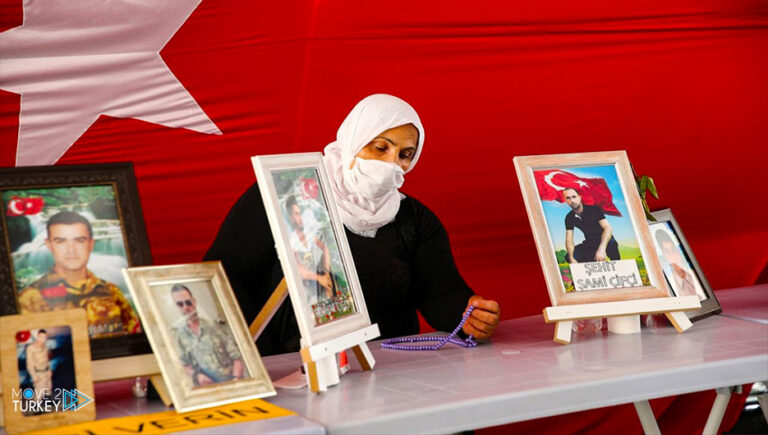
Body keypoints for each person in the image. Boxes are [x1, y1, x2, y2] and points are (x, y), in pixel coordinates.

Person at [204, 93, 500, 356]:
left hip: (388, 367)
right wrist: (258, 357)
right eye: (380, 147)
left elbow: (439, 291)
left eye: (405, 154)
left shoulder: (413, 218)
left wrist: (469, 313)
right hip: (291, 367)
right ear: (353, 141)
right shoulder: (287, 194)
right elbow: (226, 274)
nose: (391, 163)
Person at [17, 211, 140, 338]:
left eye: (80, 240)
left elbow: (134, 337)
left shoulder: (111, 291)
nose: (71, 250)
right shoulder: (30, 298)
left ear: (91, 245)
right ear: (49, 245)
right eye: (61, 241)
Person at [170, 284, 245, 386]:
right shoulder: (180, 335)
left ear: (194, 302)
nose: (185, 307)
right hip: (206, 390)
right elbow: (184, 365)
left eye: (188, 303)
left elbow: (237, 358)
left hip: (231, 383)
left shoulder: (216, 327)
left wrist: (236, 380)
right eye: (180, 304)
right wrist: (196, 376)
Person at [285, 195, 335, 304]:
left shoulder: (309, 233)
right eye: (297, 214)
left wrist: (326, 272)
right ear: (291, 218)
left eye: (301, 213)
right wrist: (319, 278)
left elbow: (324, 247)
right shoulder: (291, 241)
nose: (301, 218)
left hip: (320, 275)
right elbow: (297, 268)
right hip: (307, 284)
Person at [562, 188, 620, 263]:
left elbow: (607, 228)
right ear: (566, 201)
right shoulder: (569, 217)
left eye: (574, 197)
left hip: (607, 241)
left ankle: (614, 262)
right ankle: (594, 266)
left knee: (612, 248)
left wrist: (602, 249)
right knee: (570, 256)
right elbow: (569, 240)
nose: (572, 201)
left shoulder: (594, 209)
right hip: (590, 243)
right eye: (568, 198)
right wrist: (572, 258)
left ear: (579, 198)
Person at [654, 229, 705, 300]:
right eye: (667, 252)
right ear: (664, 256)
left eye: (673, 249)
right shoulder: (670, 284)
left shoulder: (694, 273)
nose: (673, 255)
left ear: (678, 251)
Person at [25, 329, 52, 398]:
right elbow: (29, 364)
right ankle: (37, 405)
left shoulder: (45, 347)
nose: (43, 339)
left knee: (49, 388)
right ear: (37, 337)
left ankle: (48, 401)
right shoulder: (31, 348)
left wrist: (49, 370)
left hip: (46, 371)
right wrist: (34, 376)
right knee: (39, 391)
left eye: (45, 337)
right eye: (41, 337)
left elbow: (47, 360)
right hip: (38, 373)